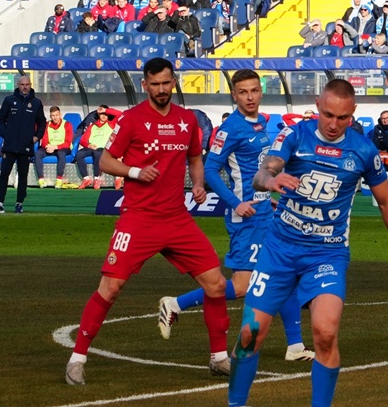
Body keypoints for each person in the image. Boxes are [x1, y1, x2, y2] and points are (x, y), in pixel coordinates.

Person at [213, 78, 388, 407]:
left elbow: (385, 202)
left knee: (325, 332)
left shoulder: (364, 152)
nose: (334, 124)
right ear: (317, 104)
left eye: (343, 117)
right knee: (250, 335)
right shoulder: (295, 136)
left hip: (328, 254)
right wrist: (272, 180)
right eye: (328, 114)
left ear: (353, 115)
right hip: (280, 250)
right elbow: (261, 172)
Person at [66, 57, 230, 386]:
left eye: (166, 83)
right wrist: (136, 172)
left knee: (216, 285)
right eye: (154, 84)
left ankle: (220, 358)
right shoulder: (131, 120)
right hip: (138, 219)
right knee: (110, 288)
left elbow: (195, 157)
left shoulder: (187, 121)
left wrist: (198, 184)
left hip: (177, 219)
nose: (161, 90)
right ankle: (77, 358)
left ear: (174, 82)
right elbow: (106, 161)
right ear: (145, 85)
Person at [158, 70, 314, 362]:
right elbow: (209, 171)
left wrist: (270, 198)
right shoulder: (231, 128)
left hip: (265, 212)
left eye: (254, 90)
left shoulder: (264, 124)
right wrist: (235, 203)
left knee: (285, 274)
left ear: (261, 91)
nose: (250, 97)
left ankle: (295, 346)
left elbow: (259, 170)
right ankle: (176, 304)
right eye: (243, 92)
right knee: (242, 287)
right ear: (234, 95)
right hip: (246, 218)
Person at [0, 75, 45, 214]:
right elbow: (0, 119)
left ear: (30, 85)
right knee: (4, 175)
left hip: (25, 145)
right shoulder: (9, 100)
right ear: (18, 85)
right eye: (22, 85)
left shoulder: (36, 103)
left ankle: (19, 203)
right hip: (10, 144)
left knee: (23, 176)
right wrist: (5, 134)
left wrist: (37, 136)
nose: (25, 87)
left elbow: (42, 122)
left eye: (27, 84)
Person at [75, 109, 115, 189]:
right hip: (91, 147)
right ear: (98, 115)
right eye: (102, 114)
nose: (104, 116)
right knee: (79, 154)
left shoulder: (111, 124)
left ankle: (97, 178)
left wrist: (107, 109)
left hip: (103, 148)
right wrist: (89, 145)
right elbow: (83, 140)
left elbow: (119, 115)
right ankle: (86, 178)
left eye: (106, 114)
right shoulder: (92, 126)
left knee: (98, 154)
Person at [35, 105, 73, 188]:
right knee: (38, 153)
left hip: (63, 148)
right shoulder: (47, 124)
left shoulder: (67, 124)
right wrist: (47, 147)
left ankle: (59, 180)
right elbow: (44, 140)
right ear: (50, 116)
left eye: (57, 115)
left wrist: (55, 147)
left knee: (61, 153)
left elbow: (68, 142)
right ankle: (41, 179)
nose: (55, 118)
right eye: (53, 115)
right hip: (50, 147)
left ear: (60, 115)